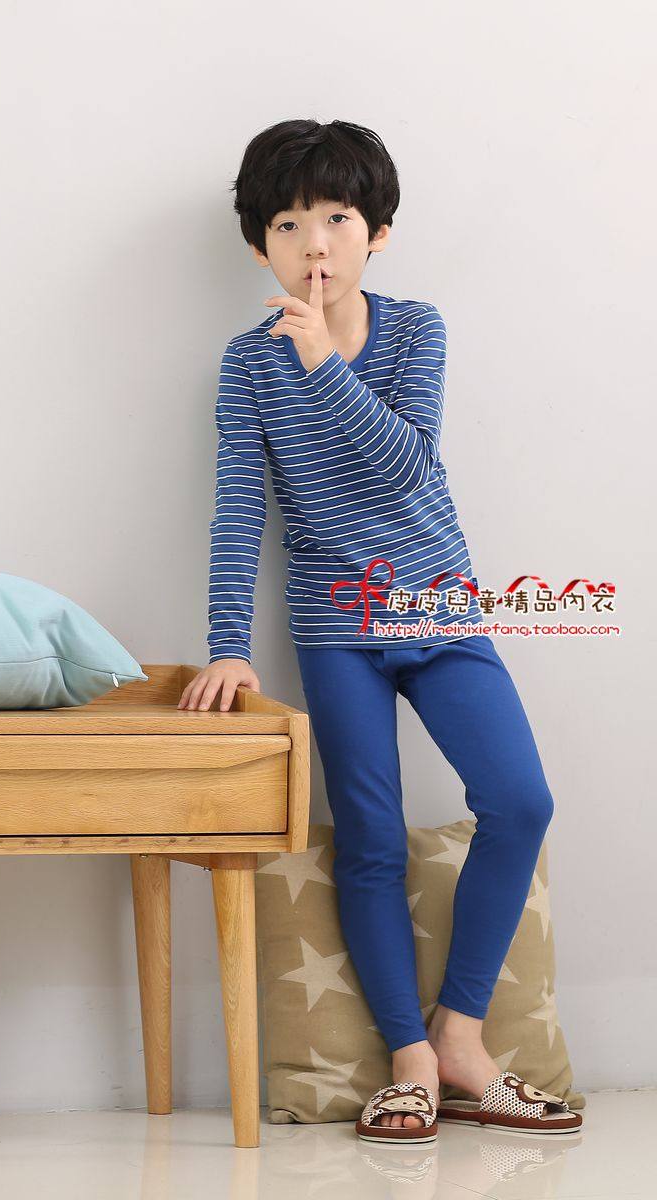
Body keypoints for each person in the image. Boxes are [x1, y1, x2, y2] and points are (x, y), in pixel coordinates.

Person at [177, 119, 557, 1138]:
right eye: (288, 223)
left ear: (376, 232)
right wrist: (227, 645)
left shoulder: (417, 329)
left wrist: (322, 362)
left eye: (337, 218)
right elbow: (238, 511)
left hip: (438, 607)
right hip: (334, 628)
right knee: (371, 839)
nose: (314, 243)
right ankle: (409, 1060)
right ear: (258, 244)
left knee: (520, 801)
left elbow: (405, 468)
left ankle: (462, 1036)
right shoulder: (246, 365)